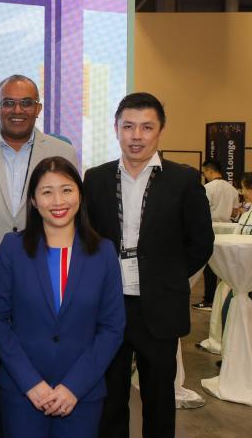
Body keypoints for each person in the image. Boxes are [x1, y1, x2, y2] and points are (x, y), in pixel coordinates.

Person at [0, 74, 78, 437]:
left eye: (26, 103)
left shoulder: (63, 152)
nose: (17, 110)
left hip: (42, 288)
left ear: (38, 108)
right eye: (8, 103)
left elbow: (71, 214)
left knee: (31, 374)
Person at [84, 92, 213, 438]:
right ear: (116, 128)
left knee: (159, 400)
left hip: (159, 307)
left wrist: (166, 278)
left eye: (146, 127)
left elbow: (201, 242)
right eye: (128, 126)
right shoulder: (95, 179)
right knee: (110, 399)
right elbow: (86, 238)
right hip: (108, 306)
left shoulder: (183, 180)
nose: (136, 136)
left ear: (160, 130)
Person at [0, 156, 125, 438]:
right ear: (33, 200)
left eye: (66, 190)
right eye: (47, 192)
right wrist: (31, 383)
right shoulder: (12, 249)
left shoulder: (103, 252)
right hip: (22, 393)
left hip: (81, 396)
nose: (58, 201)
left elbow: (112, 328)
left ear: (80, 194)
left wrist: (74, 386)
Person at [192, 159, 239, 310]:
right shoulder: (232, 189)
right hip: (228, 230)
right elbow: (235, 212)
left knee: (210, 267)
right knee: (226, 266)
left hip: (210, 229)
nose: (204, 175)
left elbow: (201, 210)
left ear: (210, 171)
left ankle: (209, 300)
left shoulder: (207, 188)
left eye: (205, 172)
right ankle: (224, 299)